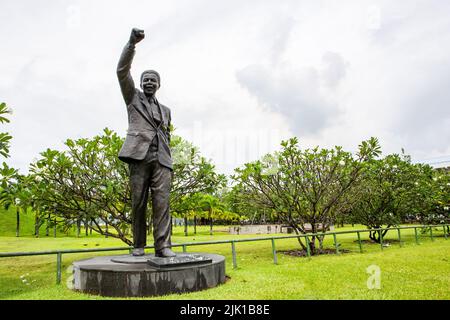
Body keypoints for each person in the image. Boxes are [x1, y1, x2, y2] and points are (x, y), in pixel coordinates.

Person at [117, 28, 175, 257]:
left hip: (161, 159)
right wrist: (131, 44)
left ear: (159, 84)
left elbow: (167, 135)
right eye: (145, 80)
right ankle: (139, 245)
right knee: (138, 202)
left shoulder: (167, 110)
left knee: (162, 204)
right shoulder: (133, 98)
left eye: (153, 80)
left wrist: (170, 158)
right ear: (140, 83)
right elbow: (121, 71)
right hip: (138, 156)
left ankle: (163, 247)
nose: (149, 82)